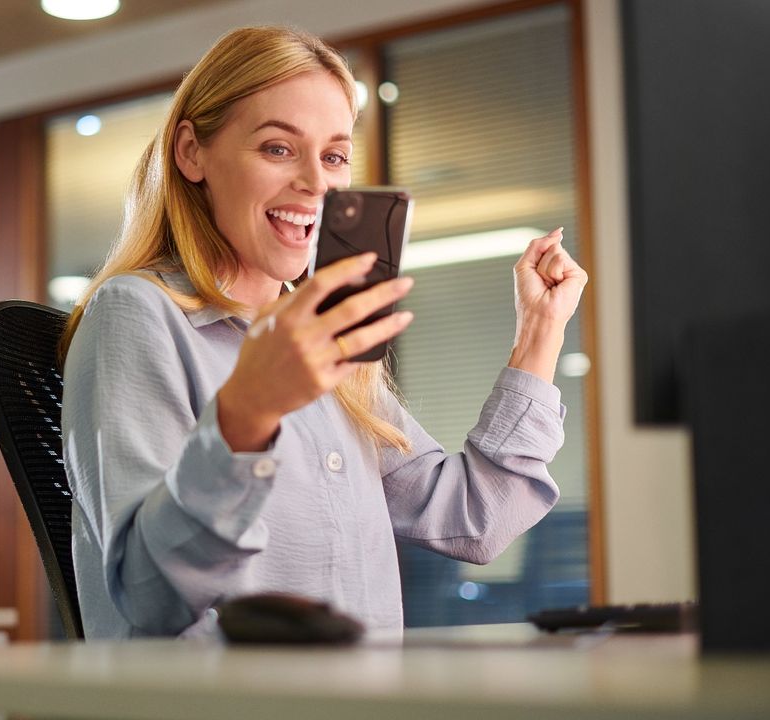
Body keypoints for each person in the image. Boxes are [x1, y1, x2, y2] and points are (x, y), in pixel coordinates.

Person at [59, 25, 589, 639]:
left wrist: (540, 331)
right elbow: (149, 595)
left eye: (334, 156)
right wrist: (246, 415)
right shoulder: (135, 314)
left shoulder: (323, 340)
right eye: (278, 149)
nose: (316, 183)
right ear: (191, 152)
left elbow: (475, 519)